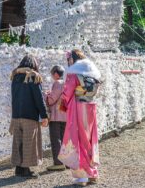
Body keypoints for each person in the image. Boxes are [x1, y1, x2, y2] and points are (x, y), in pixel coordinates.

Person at [58, 49, 101, 186]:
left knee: (78, 138)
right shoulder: (92, 70)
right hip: (90, 106)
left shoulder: (73, 73)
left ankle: (82, 176)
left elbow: (67, 92)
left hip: (77, 107)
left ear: (73, 59)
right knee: (88, 138)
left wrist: (63, 103)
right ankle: (92, 173)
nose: (68, 62)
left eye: (69, 59)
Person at [9, 55, 48, 179]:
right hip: (29, 115)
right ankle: (25, 170)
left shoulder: (14, 76)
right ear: (34, 65)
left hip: (16, 115)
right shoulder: (33, 76)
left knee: (18, 143)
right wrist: (44, 115)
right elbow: (39, 99)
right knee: (29, 143)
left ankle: (18, 169)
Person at [45, 65, 67, 171]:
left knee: (55, 139)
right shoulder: (66, 83)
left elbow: (51, 100)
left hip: (56, 115)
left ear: (56, 74)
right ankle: (66, 161)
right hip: (64, 114)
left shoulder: (57, 83)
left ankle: (58, 163)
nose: (51, 76)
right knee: (63, 138)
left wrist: (46, 95)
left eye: (52, 73)